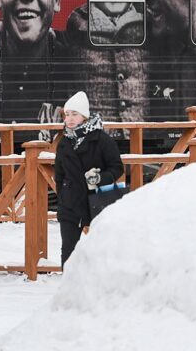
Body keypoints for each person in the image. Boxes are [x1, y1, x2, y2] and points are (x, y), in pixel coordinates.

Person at [65, 0, 148, 122]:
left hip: (142, 139)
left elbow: (185, 14)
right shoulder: (75, 27)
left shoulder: (153, 23)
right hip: (97, 140)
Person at [53, 91, 124, 267]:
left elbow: (117, 168)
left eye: (74, 114)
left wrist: (100, 177)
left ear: (84, 116)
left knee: (100, 252)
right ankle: (68, 291)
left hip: (97, 202)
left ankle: (100, 290)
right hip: (70, 204)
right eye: (67, 114)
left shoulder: (101, 140)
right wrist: (63, 196)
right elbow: (59, 174)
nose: (69, 119)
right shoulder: (64, 141)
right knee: (68, 251)